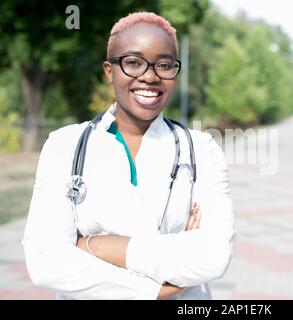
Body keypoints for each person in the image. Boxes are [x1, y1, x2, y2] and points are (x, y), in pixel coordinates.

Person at [22, 11, 235, 300]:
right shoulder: (64, 146)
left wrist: (93, 246)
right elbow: (45, 261)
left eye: (164, 64)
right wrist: (154, 289)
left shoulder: (201, 149)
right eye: (133, 63)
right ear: (110, 71)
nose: (149, 76)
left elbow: (213, 256)